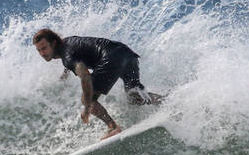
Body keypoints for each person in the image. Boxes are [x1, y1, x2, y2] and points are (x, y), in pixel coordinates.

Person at [32, 28, 161, 139]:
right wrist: (65, 73)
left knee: (87, 99)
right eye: (39, 50)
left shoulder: (67, 57)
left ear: (53, 44)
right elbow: (78, 53)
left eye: (44, 48)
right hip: (126, 53)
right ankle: (166, 101)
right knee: (135, 97)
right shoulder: (67, 42)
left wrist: (87, 106)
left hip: (111, 58)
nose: (42, 54)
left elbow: (85, 76)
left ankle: (113, 127)